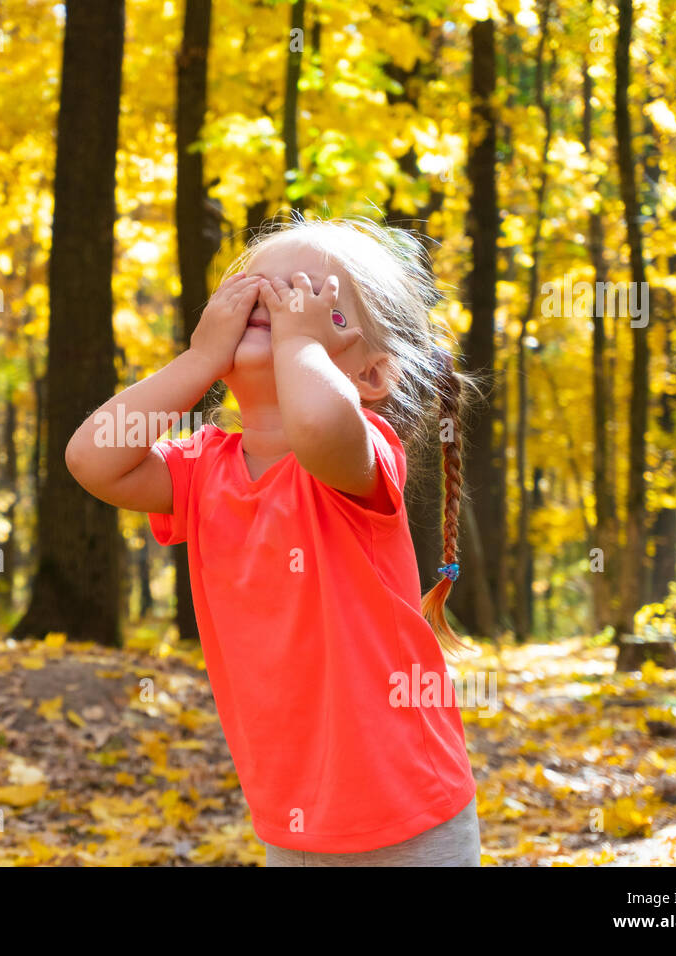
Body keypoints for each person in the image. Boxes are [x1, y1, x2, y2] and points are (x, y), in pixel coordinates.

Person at [65, 215, 481, 866]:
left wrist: (299, 345)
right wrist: (201, 359)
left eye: (312, 301)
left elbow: (316, 425)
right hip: (291, 816)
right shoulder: (203, 469)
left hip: (411, 811)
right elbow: (93, 459)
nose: (281, 308)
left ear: (372, 376)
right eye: (258, 294)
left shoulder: (363, 452)